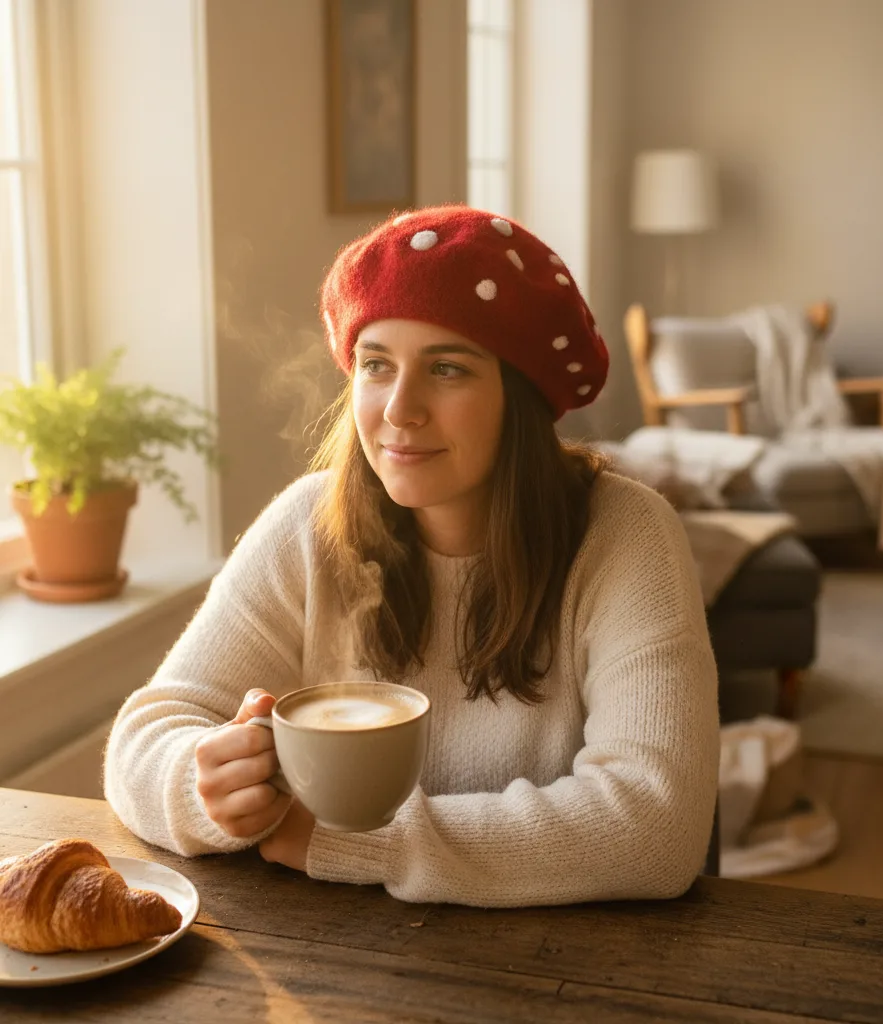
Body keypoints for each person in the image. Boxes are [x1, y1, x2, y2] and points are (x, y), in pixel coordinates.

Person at [103, 206, 719, 908]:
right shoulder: (308, 524)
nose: (399, 408)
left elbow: (657, 828)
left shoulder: (627, 536)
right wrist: (203, 784)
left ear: (521, 398)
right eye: (375, 365)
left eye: (448, 368)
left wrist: (372, 843)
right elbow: (143, 741)